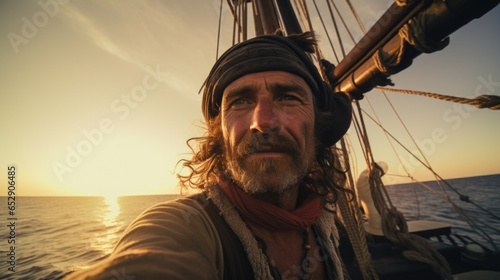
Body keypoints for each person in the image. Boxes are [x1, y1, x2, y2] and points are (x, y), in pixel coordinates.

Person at [65, 31, 353, 280]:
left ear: (318, 124)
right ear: (219, 133)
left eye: (288, 97)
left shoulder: (326, 221)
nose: (262, 121)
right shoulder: (186, 227)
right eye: (240, 101)